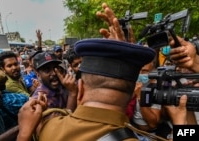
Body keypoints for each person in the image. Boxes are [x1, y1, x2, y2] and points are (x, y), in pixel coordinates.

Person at [16, 3, 190, 141]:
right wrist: (183, 121)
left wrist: (23, 134)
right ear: (132, 96)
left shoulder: (49, 128)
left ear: (81, 88)